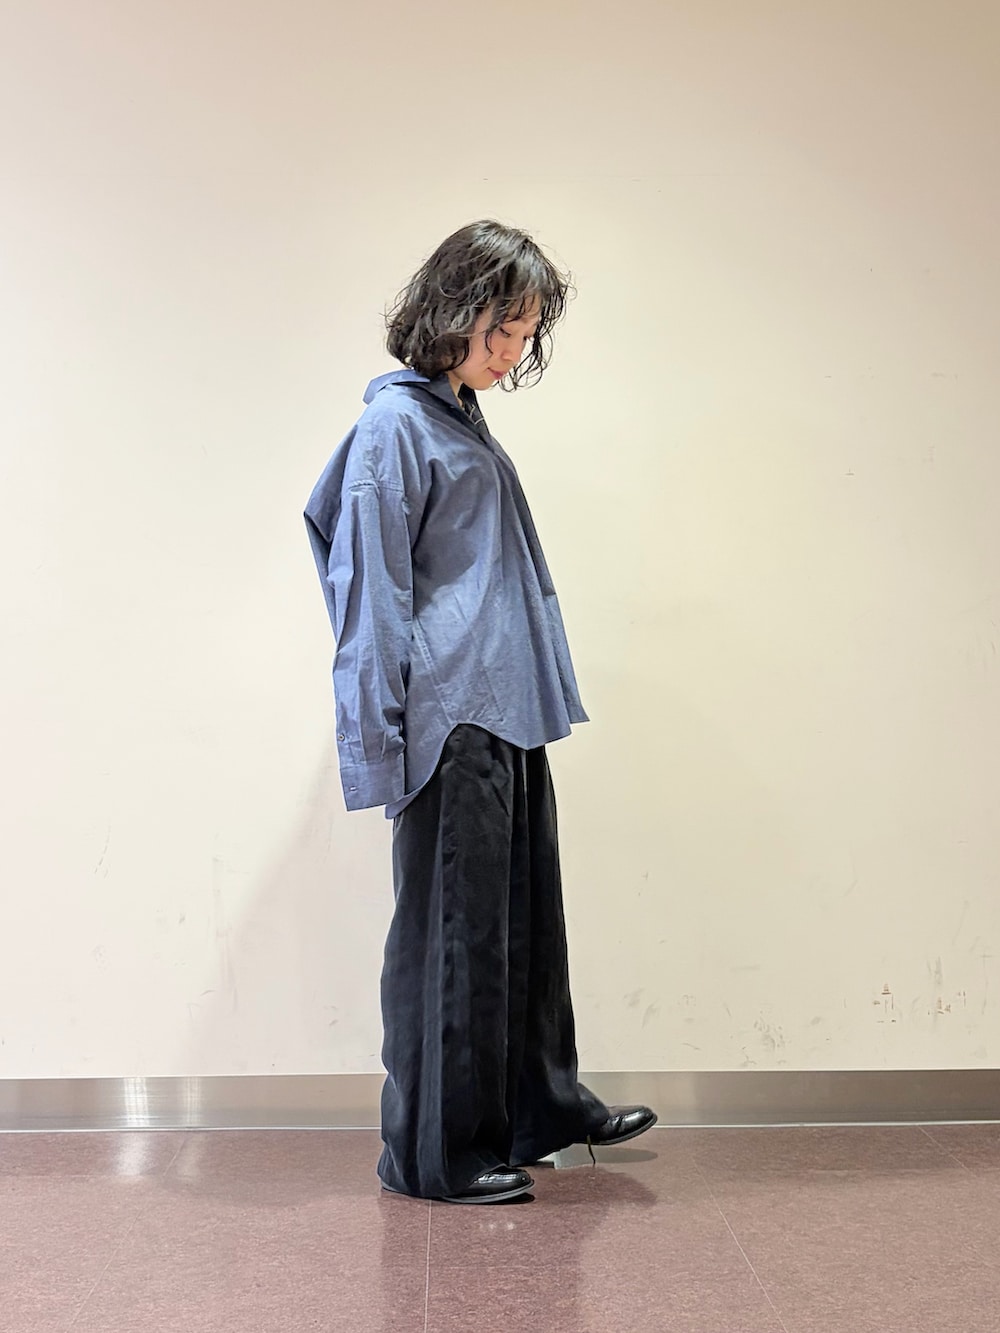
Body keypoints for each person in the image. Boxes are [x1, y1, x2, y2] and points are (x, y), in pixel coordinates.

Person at [305, 220, 656, 1204]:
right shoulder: (394, 429)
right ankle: (440, 1152)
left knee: (522, 924)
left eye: (525, 334)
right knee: (453, 938)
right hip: (451, 716)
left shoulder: (459, 419)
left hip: (505, 706)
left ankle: (539, 1108)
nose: (511, 352)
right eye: (502, 328)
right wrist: (379, 744)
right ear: (453, 311)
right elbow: (370, 594)